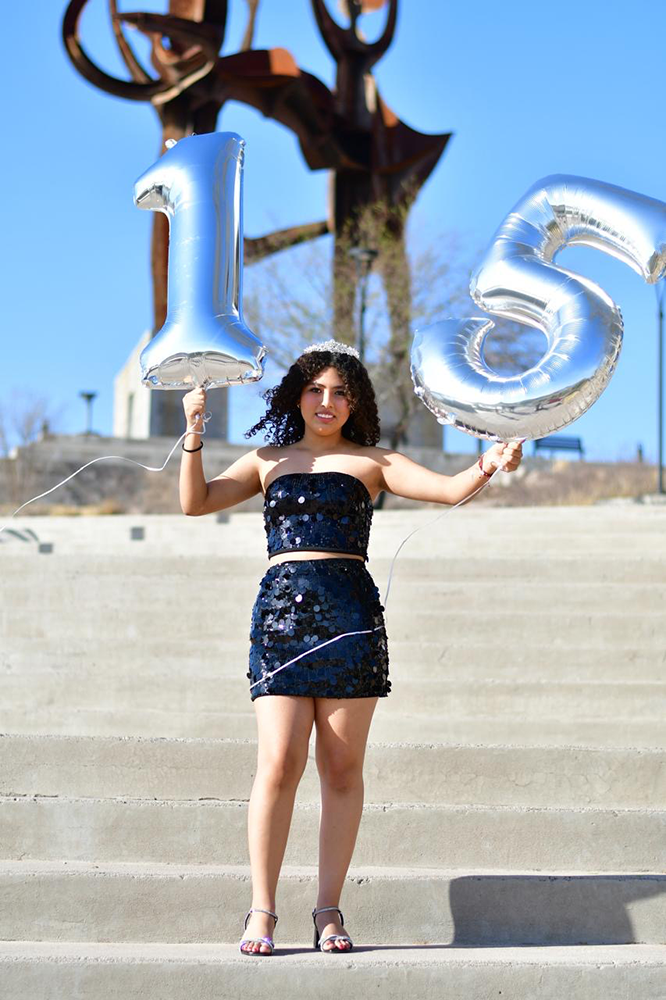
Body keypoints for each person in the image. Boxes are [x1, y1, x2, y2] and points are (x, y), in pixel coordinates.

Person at [179, 340, 523, 956]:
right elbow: (194, 502)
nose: (327, 402)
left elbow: (452, 490)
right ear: (297, 396)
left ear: (355, 401)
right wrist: (194, 433)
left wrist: (491, 460)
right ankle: (262, 910)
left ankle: (328, 911)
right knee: (279, 761)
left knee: (341, 769)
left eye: (340, 392)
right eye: (315, 390)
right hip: (282, 620)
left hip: (351, 621)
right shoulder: (266, 460)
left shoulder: (375, 462)